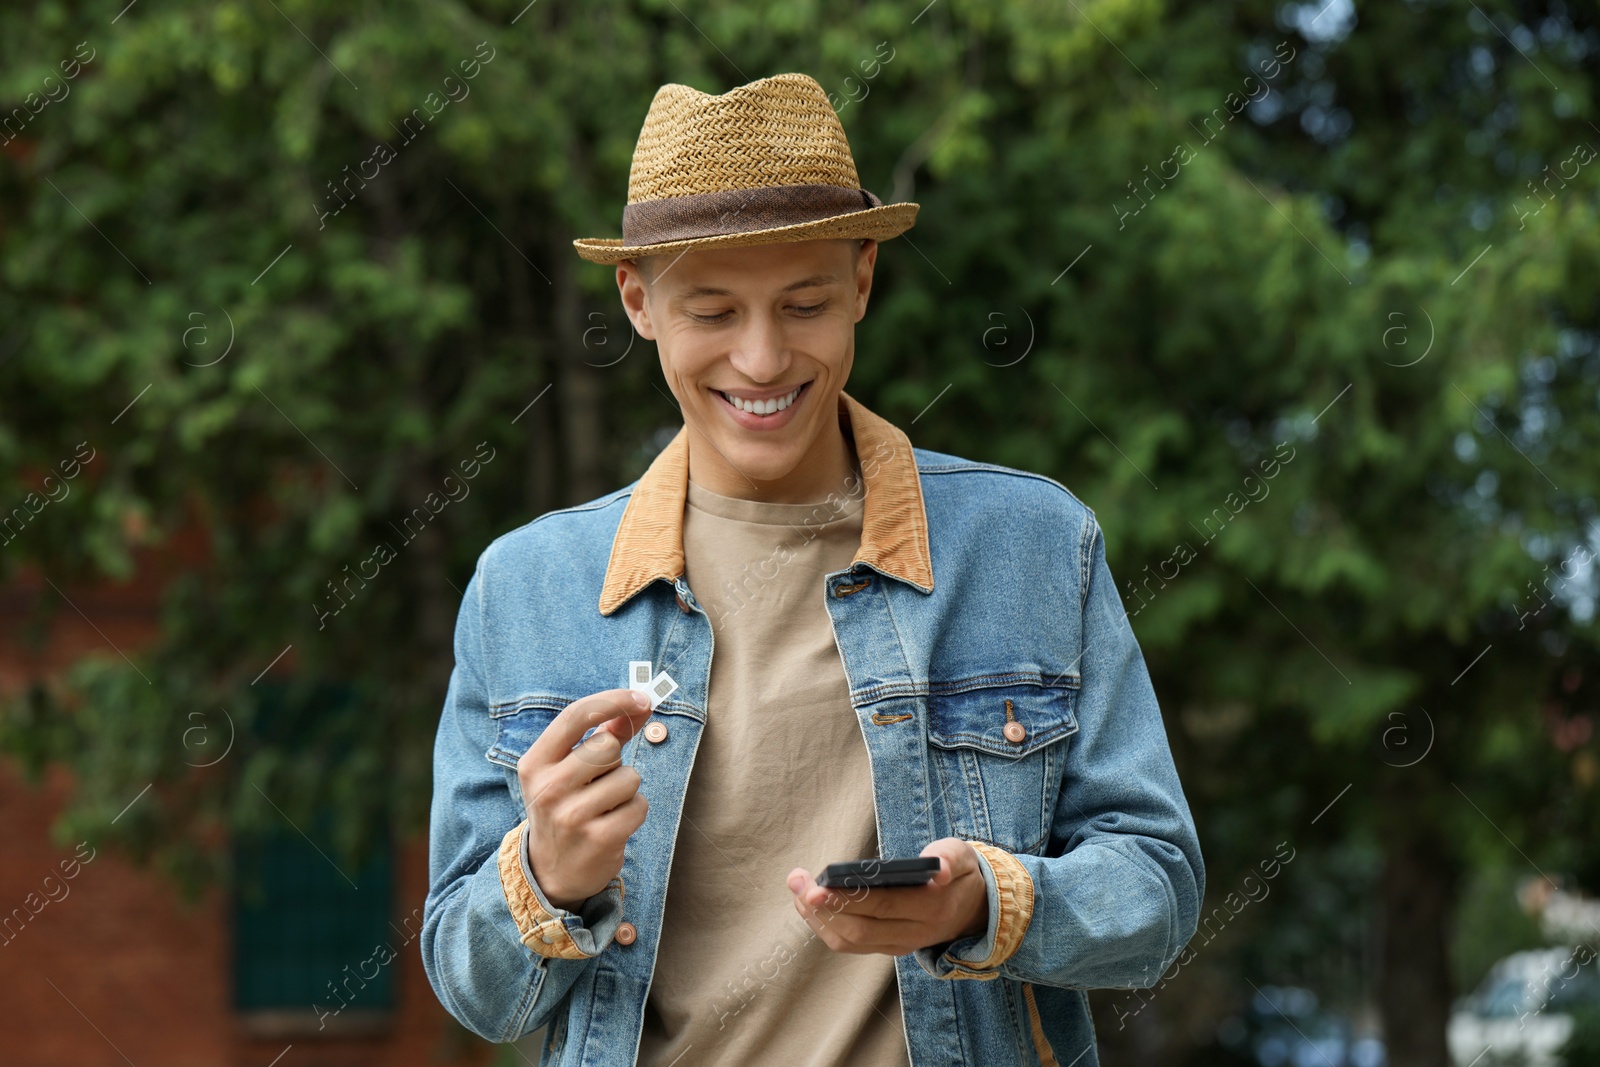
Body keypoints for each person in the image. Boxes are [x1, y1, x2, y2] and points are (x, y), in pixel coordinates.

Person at [421, 71, 1203, 1067]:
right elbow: (474, 988)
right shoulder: (525, 587)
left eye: (804, 303)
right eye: (711, 309)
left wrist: (989, 901)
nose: (760, 357)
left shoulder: (1035, 543)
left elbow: (1158, 892)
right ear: (638, 301)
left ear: (863, 282)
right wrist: (547, 877)